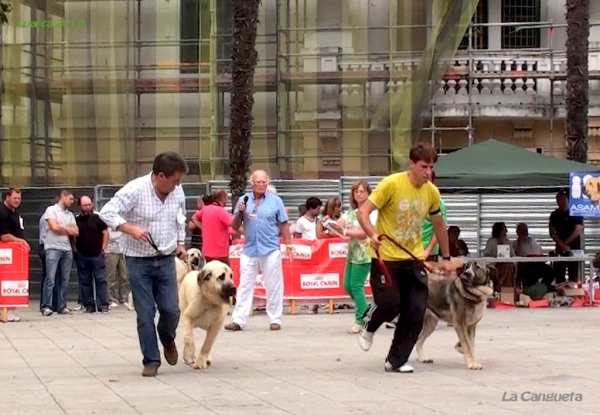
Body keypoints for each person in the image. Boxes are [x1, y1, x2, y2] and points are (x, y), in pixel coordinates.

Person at [356, 141, 453, 373]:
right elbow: (363, 212)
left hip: (413, 258)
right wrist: (373, 234)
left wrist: (446, 257)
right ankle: (369, 324)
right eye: (423, 166)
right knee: (390, 304)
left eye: (431, 167)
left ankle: (396, 360)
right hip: (386, 257)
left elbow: (440, 226)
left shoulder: (432, 192)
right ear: (412, 164)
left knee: (416, 311)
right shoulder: (392, 184)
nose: (428, 172)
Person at [99, 152, 188, 377]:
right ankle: (151, 360)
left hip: (166, 258)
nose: (178, 185)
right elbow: (107, 212)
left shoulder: (177, 192)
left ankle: (167, 339)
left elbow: (180, 217)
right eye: (175, 180)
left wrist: (181, 242)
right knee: (145, 312)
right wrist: (129, 228)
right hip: (138, 261)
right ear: (160, 176)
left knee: (171, 309)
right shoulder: (135, 190)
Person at [224, 170, 292, 332]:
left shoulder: (276, 201)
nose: (261, 185)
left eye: (264, 182)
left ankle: (275, 319)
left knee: (274, 285)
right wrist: (240, 211)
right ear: (252, 184)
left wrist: (288, 244)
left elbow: (284, 224)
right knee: (245, 285)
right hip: (250, 248)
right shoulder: (243, 200)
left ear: (267, 184)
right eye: (258, 182)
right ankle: (238, 320)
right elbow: (234, 226)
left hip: (270, 249)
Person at [336, 180, 377, 334]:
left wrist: (347, 232)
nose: (358, 194)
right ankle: (367, 312)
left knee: (356, 285)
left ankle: (361, 320)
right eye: (356, 191)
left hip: (365, 252)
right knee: (347, 285)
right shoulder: (351, 212)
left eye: (362, 191)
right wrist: (333, 224)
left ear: (368, 193)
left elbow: (366, 232)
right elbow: (341, 222)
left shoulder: (372, 213)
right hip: (352, 252)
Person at [42, 190, 78, 316]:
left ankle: (61, 305)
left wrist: (62, 228)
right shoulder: (51, 210)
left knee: (65, 279)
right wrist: (67, 229)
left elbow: (76, 232)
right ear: (63, 197)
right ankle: (46, 306)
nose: (72, 202)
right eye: (70, 199)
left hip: (67, 249)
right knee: (50, 278)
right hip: (53, 247)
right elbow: (54, 227)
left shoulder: (70, 215)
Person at [74, 196, 110, 313]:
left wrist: (103, 249)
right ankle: (89, 305)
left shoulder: (98, 219)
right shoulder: (76, 220)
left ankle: (103, 304)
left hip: (97, 254)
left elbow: (105, 233)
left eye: (89, 204)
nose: (88, 207)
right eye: (85, 205)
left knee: (101, 280)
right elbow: (73, 236)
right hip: (82, 255)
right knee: (85, 281)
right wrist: (75, 250)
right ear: (80, 206)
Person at [0, 188, 31, 322]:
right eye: (14, 198)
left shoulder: (14, 211)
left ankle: (11, 309)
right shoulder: (2, 213)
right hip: (6, 253)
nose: (17, 201)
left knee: (13, 280)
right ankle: (4, 311)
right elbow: (4, 236)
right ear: (7, 197)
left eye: (19, 198)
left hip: (15, 254)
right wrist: (21, 241)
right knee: (4, 281)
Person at [194, 190, 234, 264]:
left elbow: (194, 218)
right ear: (223, 198)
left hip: (206, 252)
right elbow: (234, 226)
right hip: (221, 253)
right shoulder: (223, 212)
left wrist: (202, 228)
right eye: (227, 198)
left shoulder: (205, 209)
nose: (227, 201)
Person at [422, 171, 447, 261]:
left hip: (429, 253)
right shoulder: (412, 199)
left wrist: (428, 251)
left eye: (427, 180)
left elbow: (439, 228)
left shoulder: (439, 203)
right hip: (410, 251)